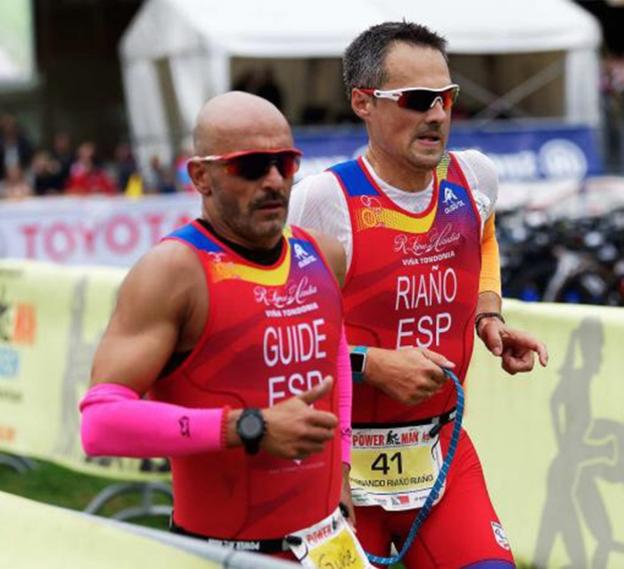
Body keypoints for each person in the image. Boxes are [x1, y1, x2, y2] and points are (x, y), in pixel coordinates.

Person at [288, 22, 549, 569]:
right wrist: (368, 364)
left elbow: (484, 237)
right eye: (416, 99)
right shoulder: (322, 201)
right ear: (364, 102)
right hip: (335, 464)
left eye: (447, 98)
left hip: (438, 453)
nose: (437, 114)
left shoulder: (473, 177)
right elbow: (280, 333)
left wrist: (488, 316)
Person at [80, 92, 365, 565]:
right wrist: (249, 426)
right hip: (225, 554)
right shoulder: (173, 272)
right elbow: (100, 423)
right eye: (251, 166)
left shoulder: (322, 254)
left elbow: (333, 355)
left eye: (285, 163)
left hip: (328, 545)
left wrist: (343, 468)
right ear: (201, 177)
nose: (274, 181)